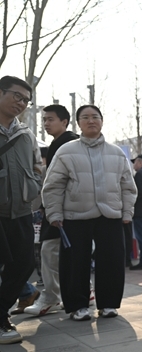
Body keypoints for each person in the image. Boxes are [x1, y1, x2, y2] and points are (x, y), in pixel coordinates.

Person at [43, 104, 137, 321]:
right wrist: (54, 214)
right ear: (78, 123)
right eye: (85, 117)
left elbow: (128, 186)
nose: (91, 120)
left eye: (95, 116)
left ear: (102, 121)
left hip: (110, 214)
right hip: (76, 215)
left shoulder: (116, 153)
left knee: (112, 260)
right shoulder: (66, 151)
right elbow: (53, 186)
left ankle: (109, 304)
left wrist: (127, 212)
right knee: (75, 262)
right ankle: (77, 306)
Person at [23, 105, 79, 317]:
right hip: (58, 207)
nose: (46, 124)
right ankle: (79, 291)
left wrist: (54, 208)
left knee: (49, 251)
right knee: (62, 252)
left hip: (61, 208)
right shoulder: (60, 143)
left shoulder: (68, 143)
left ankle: (51, 296)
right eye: (44, 120)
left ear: (64, 122)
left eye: (50, 119)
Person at [0, 76, 42, 345]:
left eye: (26, 100)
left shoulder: (25, 134)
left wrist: (33, 187)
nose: (22, 103)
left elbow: (37, 166)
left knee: (24, 264)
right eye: (17, 96)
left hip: (21, 210)